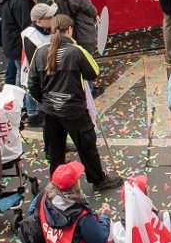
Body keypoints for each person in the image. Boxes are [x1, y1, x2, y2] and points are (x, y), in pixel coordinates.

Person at [27, 15, 124, 191]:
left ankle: (58, 183)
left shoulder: (40, 51)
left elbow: (32, 84)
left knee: (55, 151)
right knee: (86, 146)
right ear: (70, 29)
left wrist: (46, 101)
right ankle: (98, 180)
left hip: (50, 111)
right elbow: (93, 72)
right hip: (74, 110)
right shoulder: (75, 51)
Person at [29, 161, 113, 243]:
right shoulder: (81, 215)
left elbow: (32, 213)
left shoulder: (43, 197)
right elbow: (99, 239)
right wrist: (105, 217)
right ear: (74, 186)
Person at [0, 0, 44, 86]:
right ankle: (22, 100)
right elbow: (27, 24)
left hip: (10, 39)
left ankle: (11, 89)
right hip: (18, 42)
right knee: (22, 72)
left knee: (15, 68)